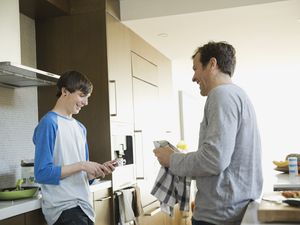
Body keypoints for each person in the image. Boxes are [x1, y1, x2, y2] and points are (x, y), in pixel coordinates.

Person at [153, 41, 263, 225]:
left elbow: (214, 160)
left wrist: (171, 159)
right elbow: (221, 160)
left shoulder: (221, 95)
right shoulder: (238, 95)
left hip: (219, 217)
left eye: (196, 69)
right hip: (234, 211)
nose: (193, 77)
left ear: (212, 64)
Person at [33, 71, 116, 225]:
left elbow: (80, 178)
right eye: (82, 95)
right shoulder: (49, 124)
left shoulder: (80, 128)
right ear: (64, 91)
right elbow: (42, 173)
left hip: (84, 207)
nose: (85, 102)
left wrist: (96, 171)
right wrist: (83, 165)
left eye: (88, 97)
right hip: (64, 209)